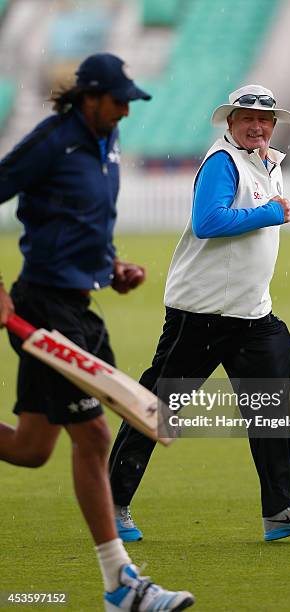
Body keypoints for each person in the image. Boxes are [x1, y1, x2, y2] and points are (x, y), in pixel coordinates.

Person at [0, 53, 194, 611]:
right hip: (43, 309)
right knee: (94, 439)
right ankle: (120, 584)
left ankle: (120, 586)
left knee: (31, 448)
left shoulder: (105, 145)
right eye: (118, 101)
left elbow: (79, 222)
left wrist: (112, 266)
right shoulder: (51, 141)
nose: (126, 111)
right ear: (89, 97)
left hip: (79, 309)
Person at [109, 84, 290, 544]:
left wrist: (268, 205)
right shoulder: (222, 162)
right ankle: (111, 503)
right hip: (201, 312)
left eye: (264, 120)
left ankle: (280, 513)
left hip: (252, 314)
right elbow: (209, 222)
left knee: (268, 410)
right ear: (229, 123)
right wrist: (270, 212)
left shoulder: (265, 161)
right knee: (160, 408)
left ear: (273, 125)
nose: (256, 125)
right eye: (246, 117)